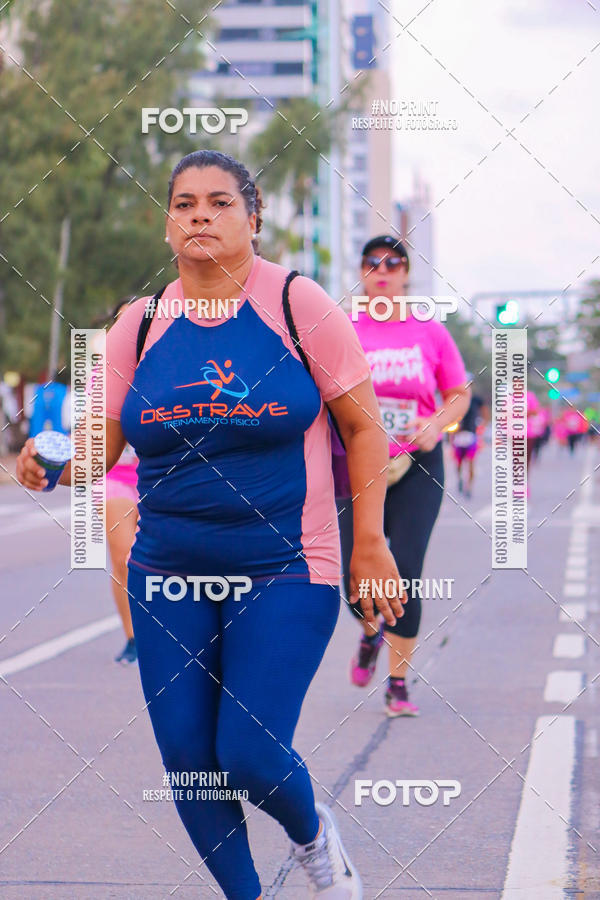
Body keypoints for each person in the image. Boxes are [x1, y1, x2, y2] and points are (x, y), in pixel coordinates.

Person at [17, 151, 408, 900]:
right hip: (168, 569)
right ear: (168, 224)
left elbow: (363, 430)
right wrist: (57, 459)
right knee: (192, 763)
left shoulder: (301, 306)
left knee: (252, 754)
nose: (201, 215)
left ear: (252, 220)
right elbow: (104, 440)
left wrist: (371, 542)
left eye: (220, 202)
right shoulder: (138, 326)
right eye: (185, 203)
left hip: (289, 564)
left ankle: (315, 838)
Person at [338, 235, 470, 717]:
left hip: (416, 463)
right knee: (354, 579)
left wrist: (438, 423)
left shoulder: (428, 331)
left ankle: (397, 682)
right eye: (372, 262)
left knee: (406, 573)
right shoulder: (343, 328)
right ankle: (371, 628)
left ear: (406, 273)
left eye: (393, 263)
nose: (382, 270)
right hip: (355, 466)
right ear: (361, 272)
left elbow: (458, 393)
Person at [103, 300, 140, 665]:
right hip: (116, 477)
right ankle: (133, 638)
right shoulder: (104, 371)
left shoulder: (164, 364)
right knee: (124, 558)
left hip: (159, 478)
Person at [452, 389, 488, 498]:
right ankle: (460, 479)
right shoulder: (456, 398)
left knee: (471, 462)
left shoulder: (476, 400)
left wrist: (482, 426)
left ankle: (469, 487)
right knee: (458, 463)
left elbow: (485, 413)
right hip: (458, 436)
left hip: (471, 435)